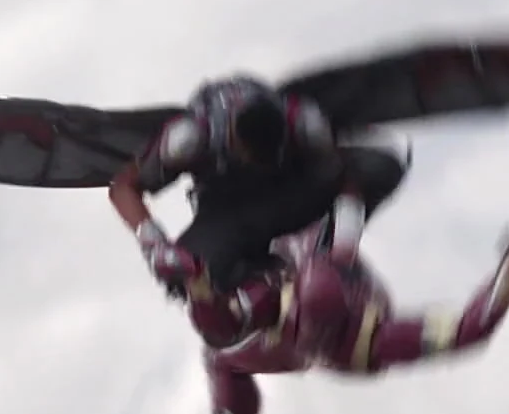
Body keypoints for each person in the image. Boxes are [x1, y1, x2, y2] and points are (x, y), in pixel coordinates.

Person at [187, 208, 509, 414]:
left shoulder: (358, 335)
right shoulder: (361, 325)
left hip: (305, 332)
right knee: (223, 351)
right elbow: (472, 328)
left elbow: (471, 330)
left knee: (221, 353)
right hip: (308, 314)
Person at [108, 75, 407, 345]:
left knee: (379, 164)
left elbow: (346, 178)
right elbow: (123, 187)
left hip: (287, 194)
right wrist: (155, 245)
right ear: (234, 141)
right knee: (184, 275)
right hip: (228, 212)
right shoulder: (189, 139)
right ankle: (261, 287)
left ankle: (320, 254)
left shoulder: (304, 124)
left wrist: (343, 250)